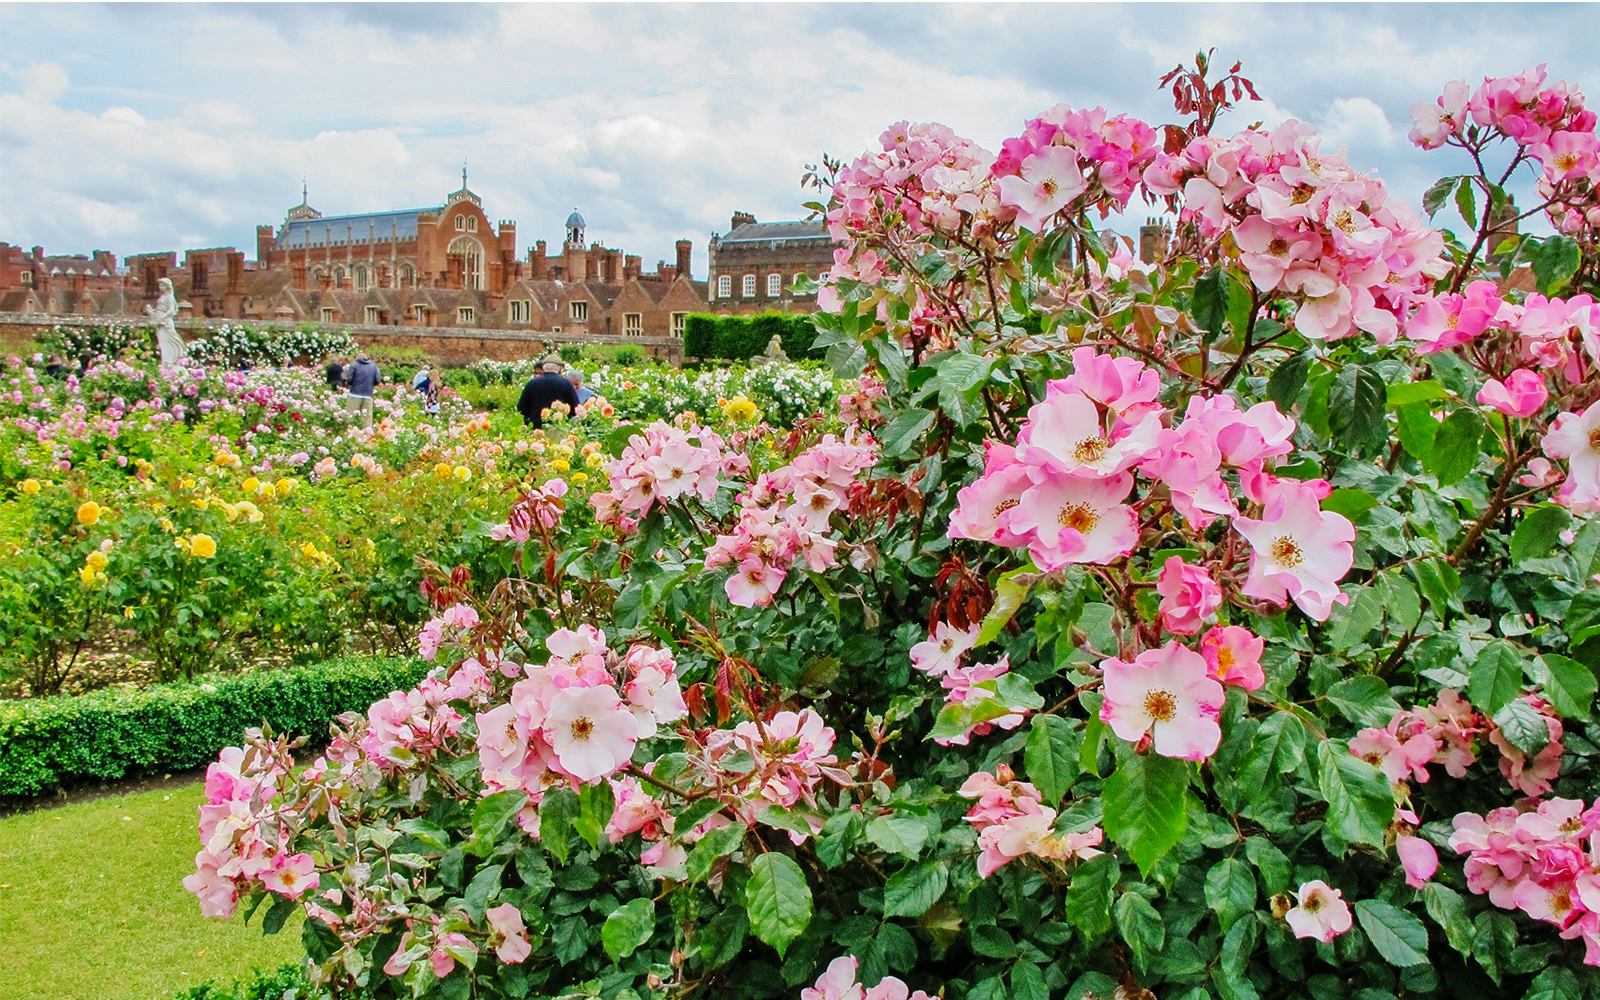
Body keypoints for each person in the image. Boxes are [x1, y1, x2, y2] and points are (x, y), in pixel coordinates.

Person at [517, 356, 580, 429]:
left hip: (536, 428)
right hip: (559, 428)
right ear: (560, 369)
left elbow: (522, 408)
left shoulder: (532, 383)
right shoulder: (566, 384)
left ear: (543, 368)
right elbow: (575, 408)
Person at [146, 277, 186, 366]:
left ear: (167, 287)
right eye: (159, 285)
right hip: (160, 322)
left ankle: (169, 361)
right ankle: (166, 362)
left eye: (162, 285)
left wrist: (163, 317)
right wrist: (151, 311)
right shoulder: (162, 297)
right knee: (162, 343)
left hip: (165, 323)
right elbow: (158, 311)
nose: (160, 287)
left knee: (167, 342)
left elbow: (171, 310)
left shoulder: (169, 297)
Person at [344, 353, 382, 428]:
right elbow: (378, 380)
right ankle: (367, 435)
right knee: (367, 418)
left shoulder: (354, 365)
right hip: (368, 395)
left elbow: (349, 379)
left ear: (357, 358)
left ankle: (351, 433)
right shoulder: (373, 366)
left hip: (354, 394)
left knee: (351, 415)